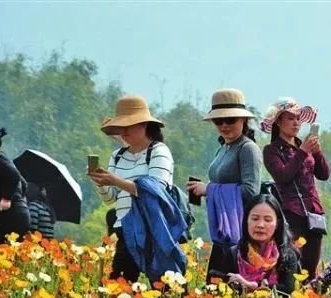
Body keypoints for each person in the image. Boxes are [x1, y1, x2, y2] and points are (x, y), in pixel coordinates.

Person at [88, 95, 175, 282]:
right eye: (121, 127)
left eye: (129, 125)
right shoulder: (117, 156)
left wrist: (115, 180)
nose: (124, 131)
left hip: (153, 228)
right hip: (126, 227)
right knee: (119, 285)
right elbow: (110, 198)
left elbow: (155, 191)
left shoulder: (159, 151)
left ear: (144, 125)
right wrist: (101, 182)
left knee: (164, 287)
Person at [186, 88, 262, 283]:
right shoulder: (224, 148)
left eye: (230, 120)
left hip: (240, 231)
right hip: (222, 229)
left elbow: (251, 191)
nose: (224, 125)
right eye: (219, 121)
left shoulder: (248, 149)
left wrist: (209, 190)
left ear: (243, 121)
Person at [261, 97, 328, 280]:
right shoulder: (271, 150)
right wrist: (303, 151)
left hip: (314, 213)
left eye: (298, 118)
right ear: (278, 122)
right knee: (292, 265)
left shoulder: (302, 146)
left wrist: (317, 152)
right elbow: (283, 175)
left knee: (311, 269)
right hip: (292, 214)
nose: (296, 122)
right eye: (290, 118)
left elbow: (324, 174)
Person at [217, 194, 299, 295]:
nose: (260, 225)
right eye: (255, 219)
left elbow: (288, 290)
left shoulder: (287, 256)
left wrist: (252, 286)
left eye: (267, 220)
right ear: (246, 220)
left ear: (277, 223)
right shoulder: (234, 254)